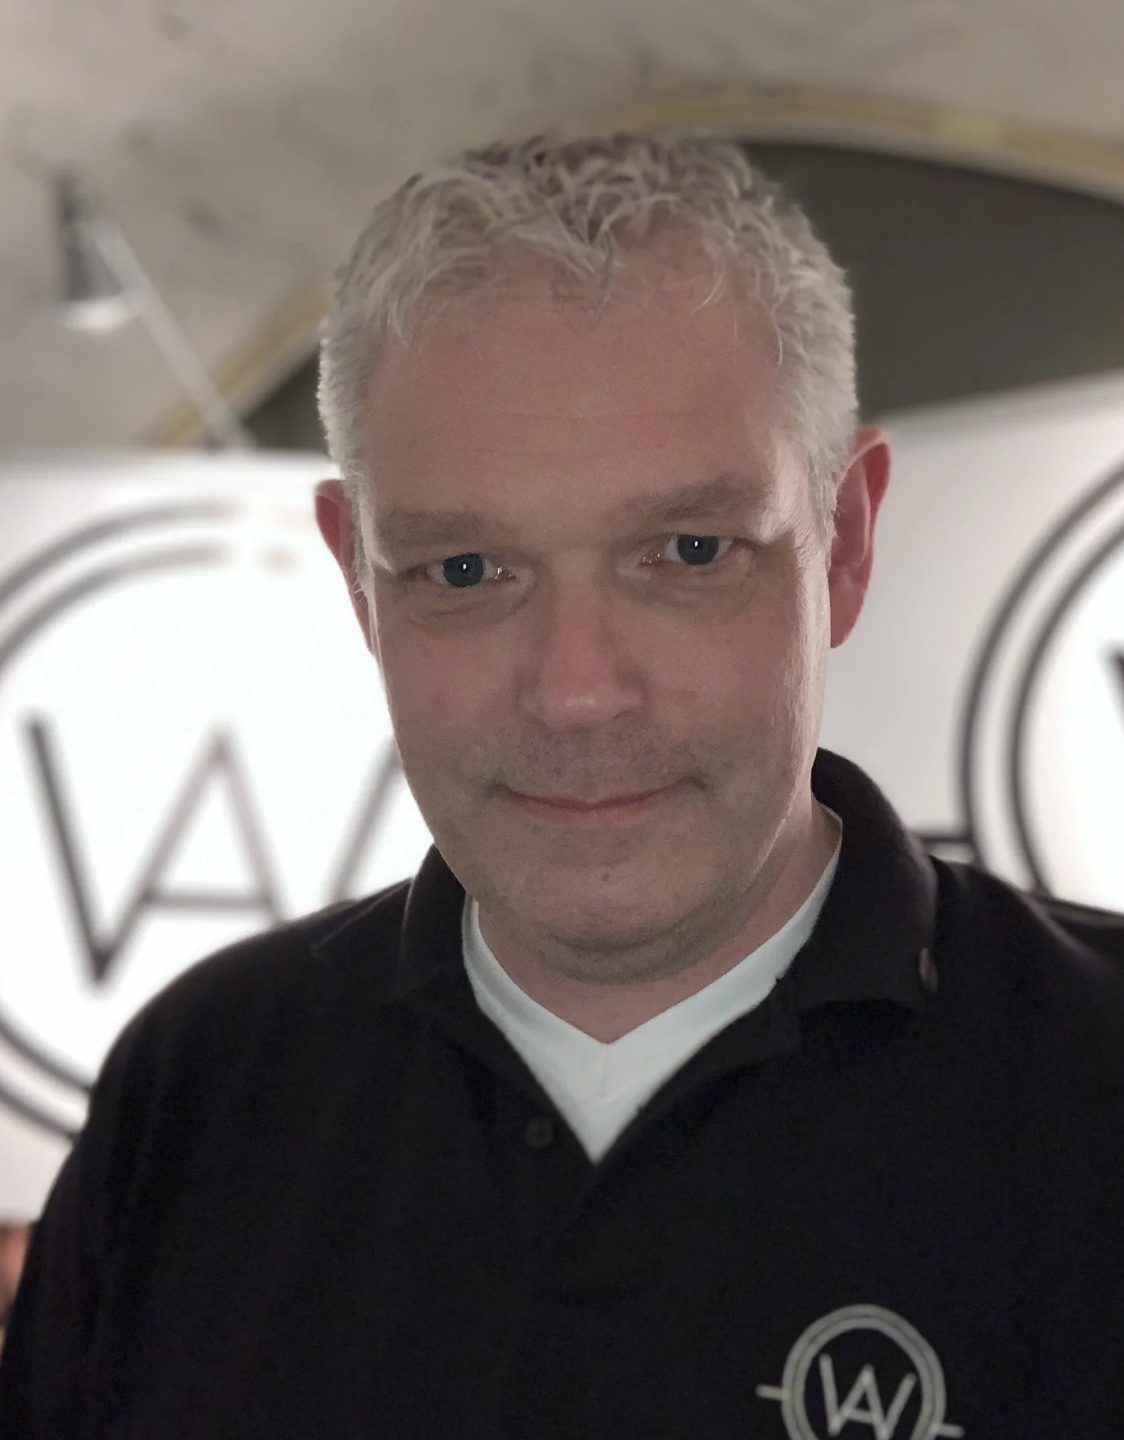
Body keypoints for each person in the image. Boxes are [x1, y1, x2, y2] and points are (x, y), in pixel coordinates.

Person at [1, 134, 1122, 1440]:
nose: (577, 691)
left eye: (689, 551)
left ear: (848, 541)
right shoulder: (201, 1093)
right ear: (358, 578)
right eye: (468, 572)